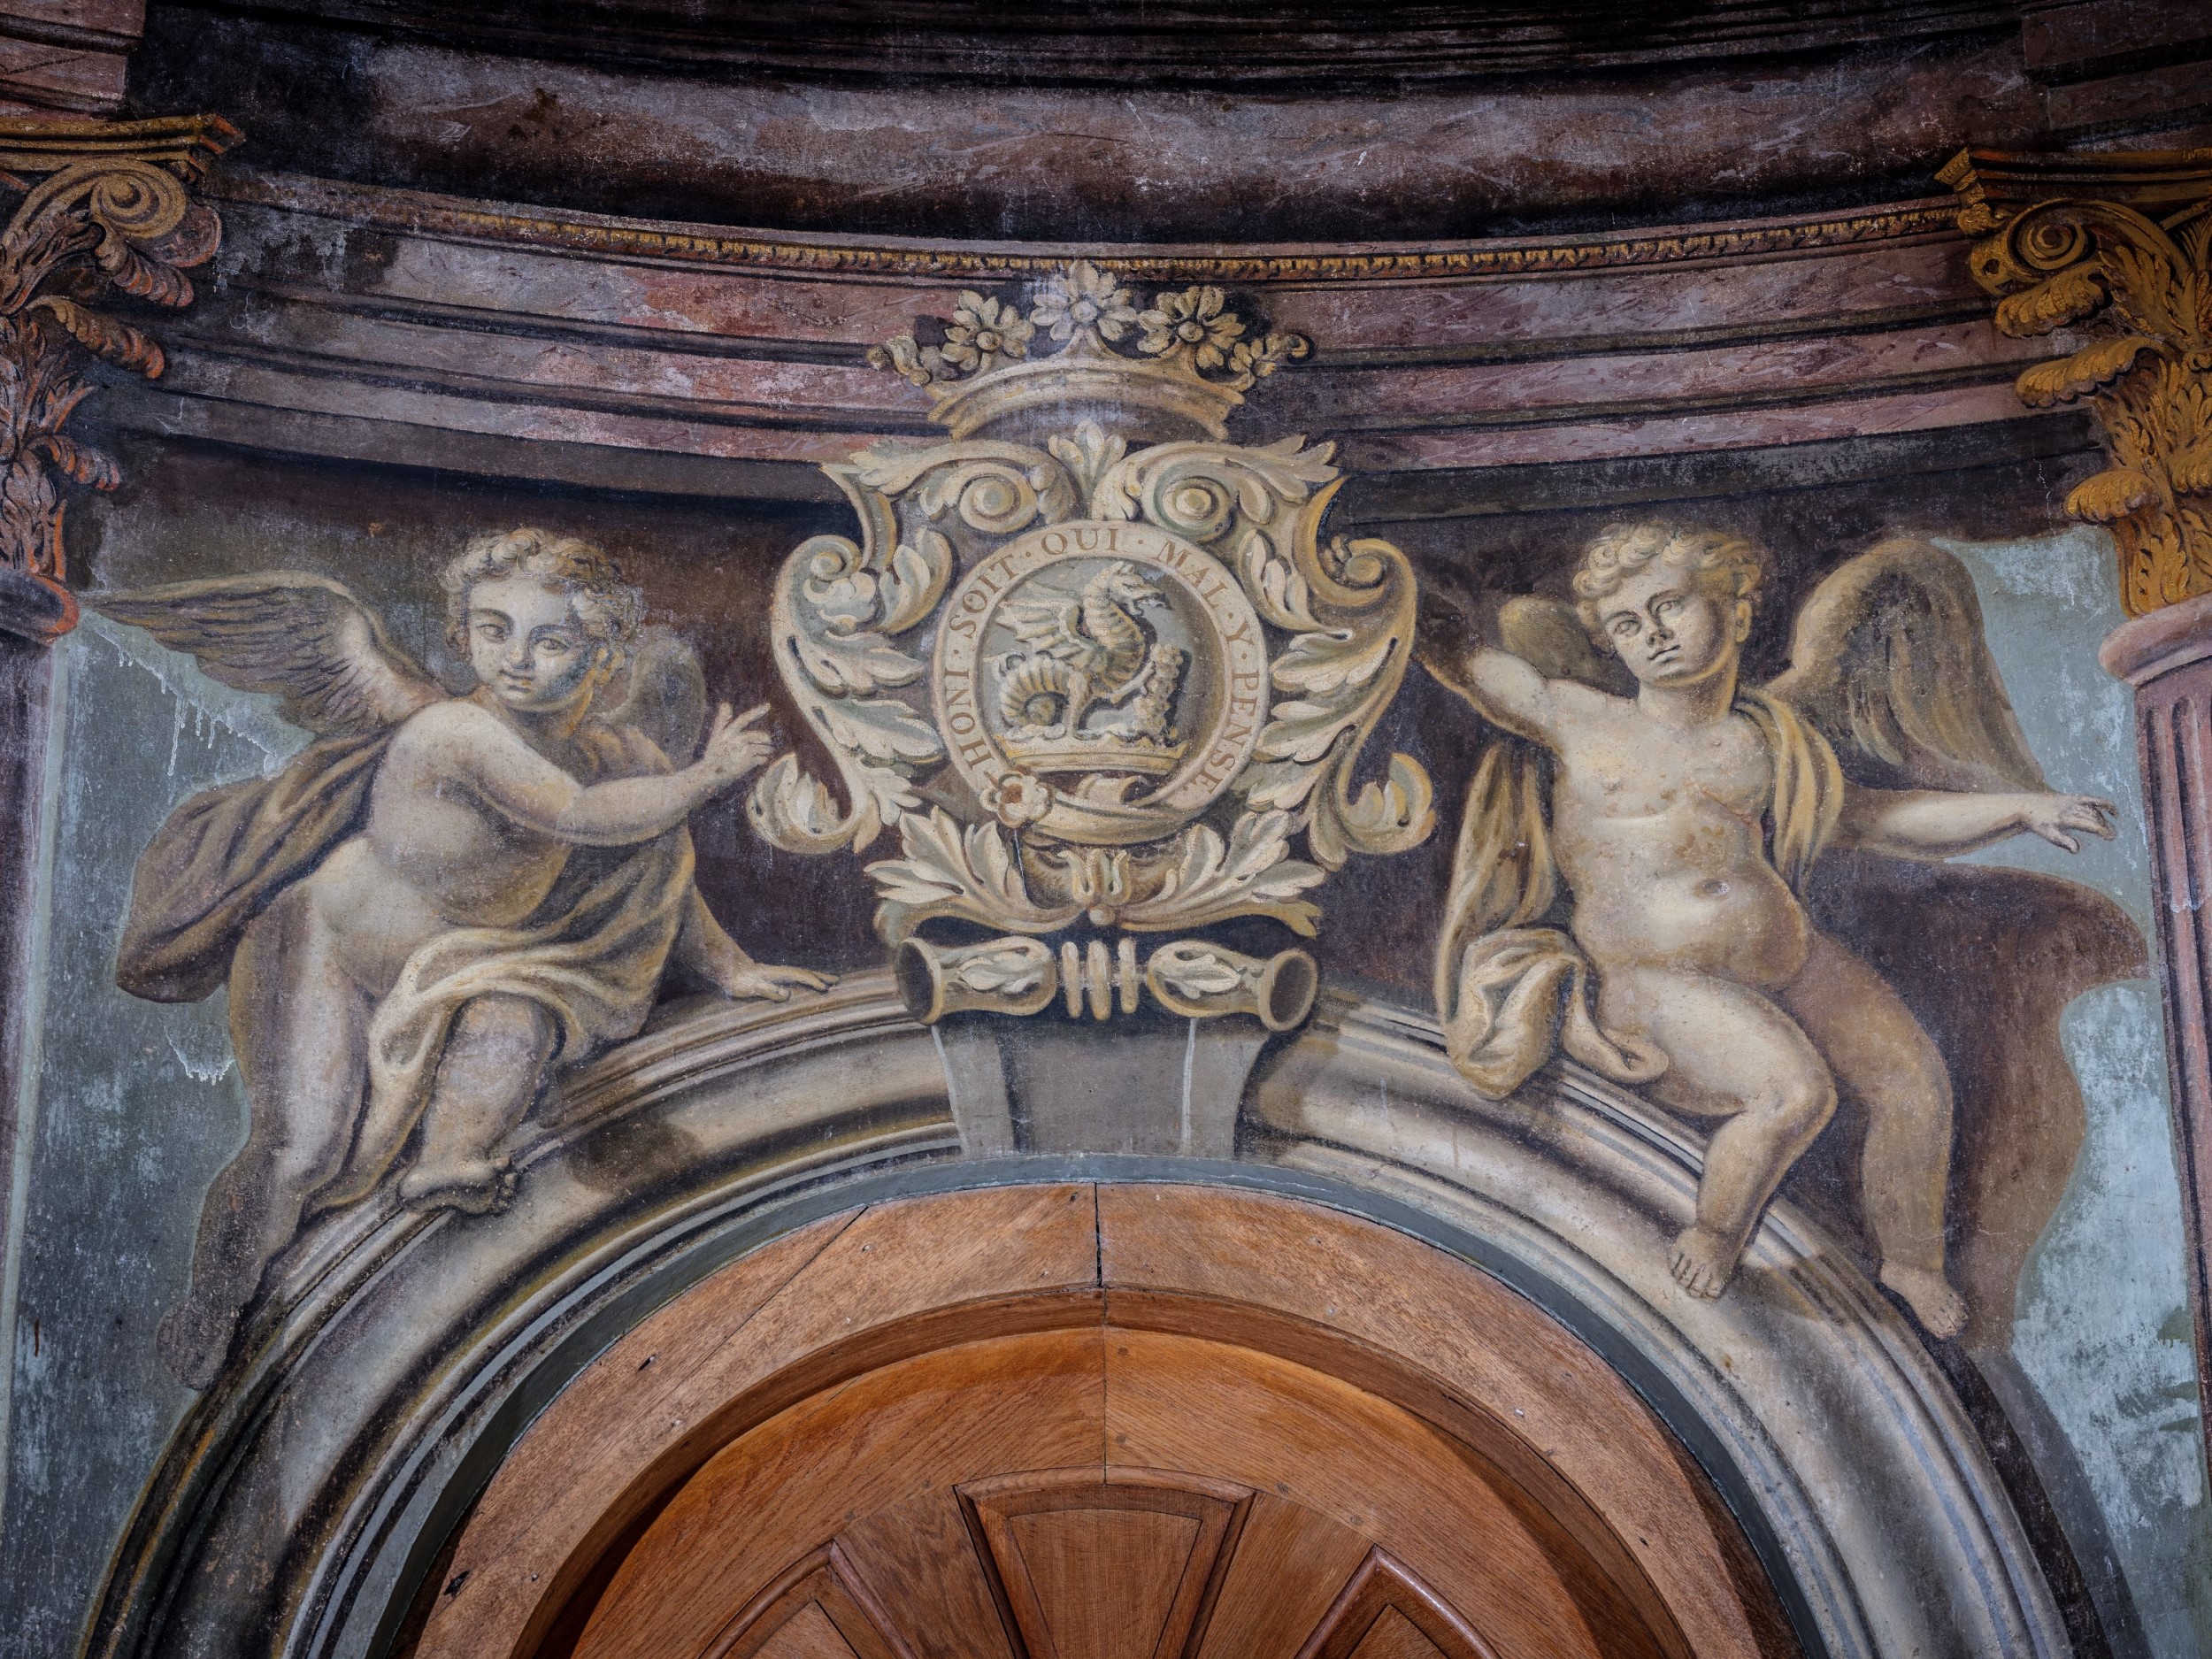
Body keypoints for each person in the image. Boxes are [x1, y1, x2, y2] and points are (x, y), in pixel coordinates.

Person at [112, 529, 828, 1386]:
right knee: (299, 1151)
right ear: (462, 634)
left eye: (550, 639)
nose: (516, 659)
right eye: (494, 630)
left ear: (600, 654)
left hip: (474, 954)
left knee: (517, 1015)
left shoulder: (622, 760)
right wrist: (708, 774)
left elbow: (656, 867)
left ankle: (448, 1159)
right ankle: (213, 1306)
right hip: (333, 946)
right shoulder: (456, 730)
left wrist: (729, 968)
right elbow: (585, 815)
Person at [1422, 523, 2115, 1335]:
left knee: (1913, 1081)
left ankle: (1911, 1260)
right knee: (1794, 1093)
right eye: (1628, 623)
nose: (1653, 634)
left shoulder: (1766, 741)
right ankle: (1716, 1231)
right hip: (1656, 980)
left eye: (1671, 605)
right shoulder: (1579, 717)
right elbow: (1473, 668)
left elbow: (1876, 818)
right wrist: (1398, 596)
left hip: (1788, 960)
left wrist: (2022, 808)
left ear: (1735, 614)